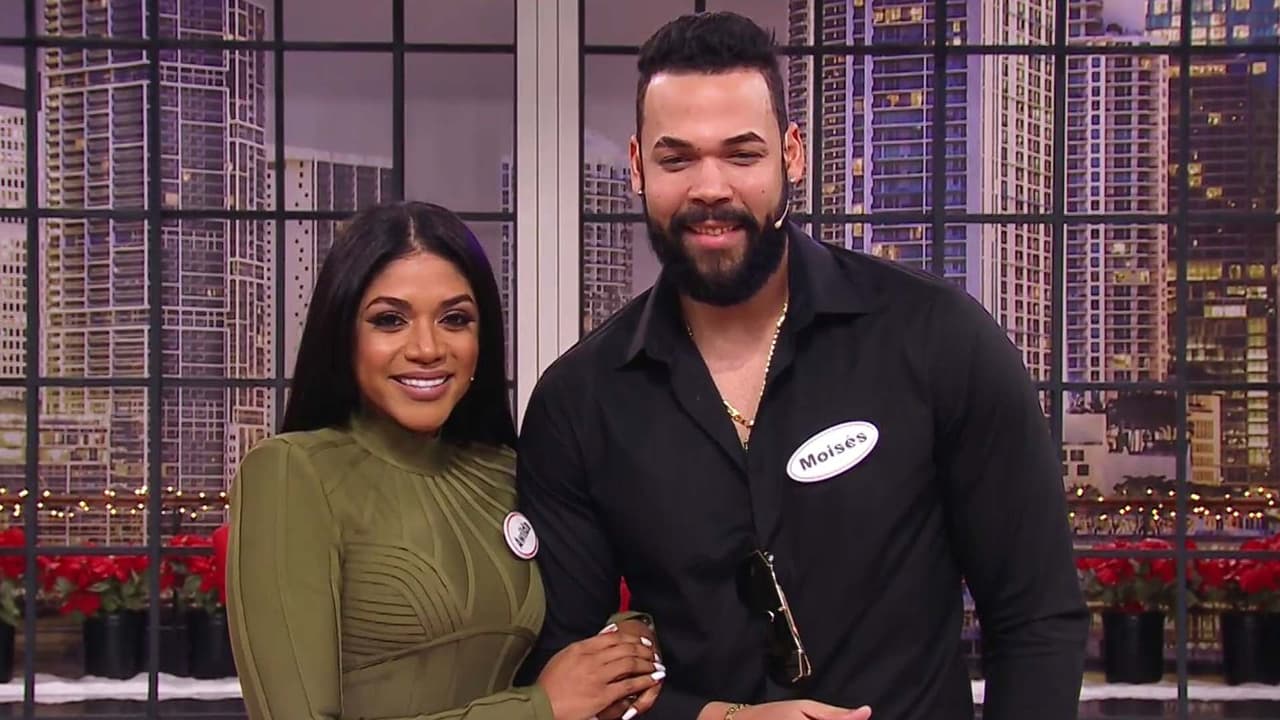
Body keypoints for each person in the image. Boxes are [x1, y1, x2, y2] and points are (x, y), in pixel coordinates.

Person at [515, 11, 1088, 720]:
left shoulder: (937, 338)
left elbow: (1036, 617)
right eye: (677, 159)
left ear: (792, 154)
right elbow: (568, 667)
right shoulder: (579, 401)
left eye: (741, 154)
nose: (710, 187)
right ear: (637, 167)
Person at [225, 201, 666, 720]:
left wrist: (630, 638)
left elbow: (573, 620)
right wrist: (538, 710)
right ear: (343, 334)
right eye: (390, 320)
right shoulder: (291, 473)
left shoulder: (507, 470)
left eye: (455, 319)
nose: (427, 348)